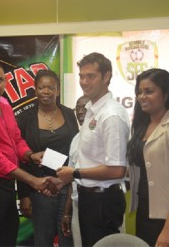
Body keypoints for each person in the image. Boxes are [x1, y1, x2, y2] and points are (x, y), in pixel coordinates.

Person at [0, 61, 59, 247]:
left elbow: (16, 140)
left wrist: (30, 155)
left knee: (8, 240)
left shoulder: (4, 104)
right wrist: (33, 181)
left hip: (6, 188)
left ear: (5, 81)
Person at [57, 52, 130, 246]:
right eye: (81, 76)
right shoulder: (92, 109)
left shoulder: (111, 115)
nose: (84, 81)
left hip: (103, 201)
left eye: (91, 76)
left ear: (106, 77)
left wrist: (74, 173)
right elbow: (88, 159)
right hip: (89, 198)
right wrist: (66, 178)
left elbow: (117, 169)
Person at [127, 68, 169, 247]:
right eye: (139, 92)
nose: (142, 96)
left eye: (149, 91)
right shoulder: (141, 127)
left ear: (165, 94)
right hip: (144, 211)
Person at [16, 69, 79, 247]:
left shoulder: (69, 113)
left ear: (57, 91)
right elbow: (20, 156)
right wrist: (24, 195)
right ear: (35, 90)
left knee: (68, 237)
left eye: (51, 87)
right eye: (41, 87)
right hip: (41, 189)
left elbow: (75, 148)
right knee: (43, 239)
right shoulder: (25, 118)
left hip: (67, 187)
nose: (46, 91)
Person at [61, 95, 89, 247]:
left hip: (100, 202)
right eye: (77, 107)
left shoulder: (101, 134)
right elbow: (71, 181)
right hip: (78, 205)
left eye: (84, 107)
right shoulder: (75, 140)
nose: (80, 111)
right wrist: (67, 213)